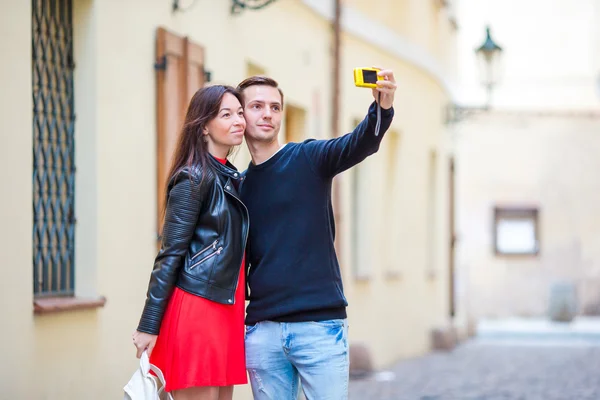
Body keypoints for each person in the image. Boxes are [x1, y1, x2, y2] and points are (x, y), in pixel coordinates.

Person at [237, 69, 396, 399]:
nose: (267, 113)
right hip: (263, 331)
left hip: (320, 329)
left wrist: (381, 109)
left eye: (275, 107)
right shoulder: (237, 186)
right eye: (256, 106)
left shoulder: (308, 157)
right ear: (241, 116)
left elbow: (361, 143)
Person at [132, 85, 249, 400]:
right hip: (199, 306)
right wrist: (149, 324)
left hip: (227, 308)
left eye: (240, 112)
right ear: (203, 126)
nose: (239, 120)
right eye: (226, 114)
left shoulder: (232, 176)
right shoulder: (193, 177)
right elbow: (170, 255)